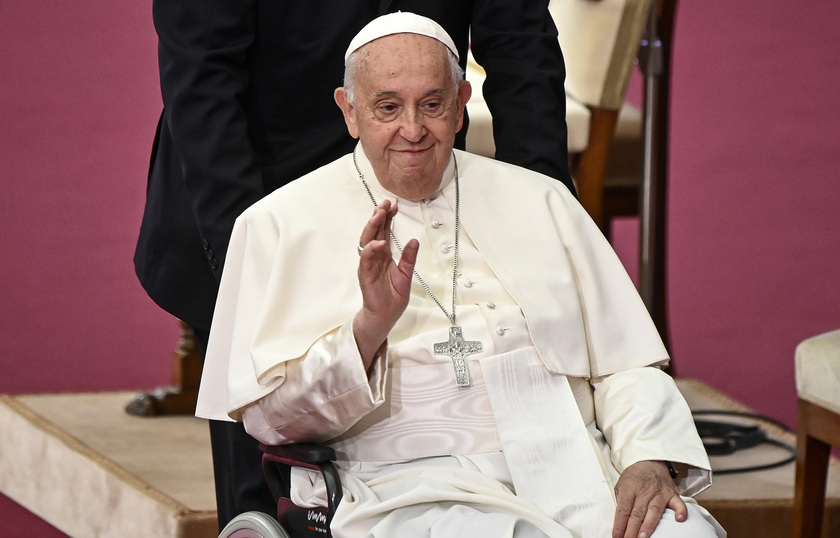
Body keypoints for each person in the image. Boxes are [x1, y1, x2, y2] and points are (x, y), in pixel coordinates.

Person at [196, 13, 725, 538]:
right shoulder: (278, 223)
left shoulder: (541, 200)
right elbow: (272, 420)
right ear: (349, 112)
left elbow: (621, 362)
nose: (412, 129)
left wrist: (647, 457)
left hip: (574, 464)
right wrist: (369, 329)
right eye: (387, 107)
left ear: (461, 106)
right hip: (407, 486)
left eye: (432, 104)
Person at [134, 0, 572, 529]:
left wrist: (543, 221)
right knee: (267, 497)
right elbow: (203, 78)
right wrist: (251, 263)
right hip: (256, 195)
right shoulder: (262, 231)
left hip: (420, 199)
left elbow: (520, 46)